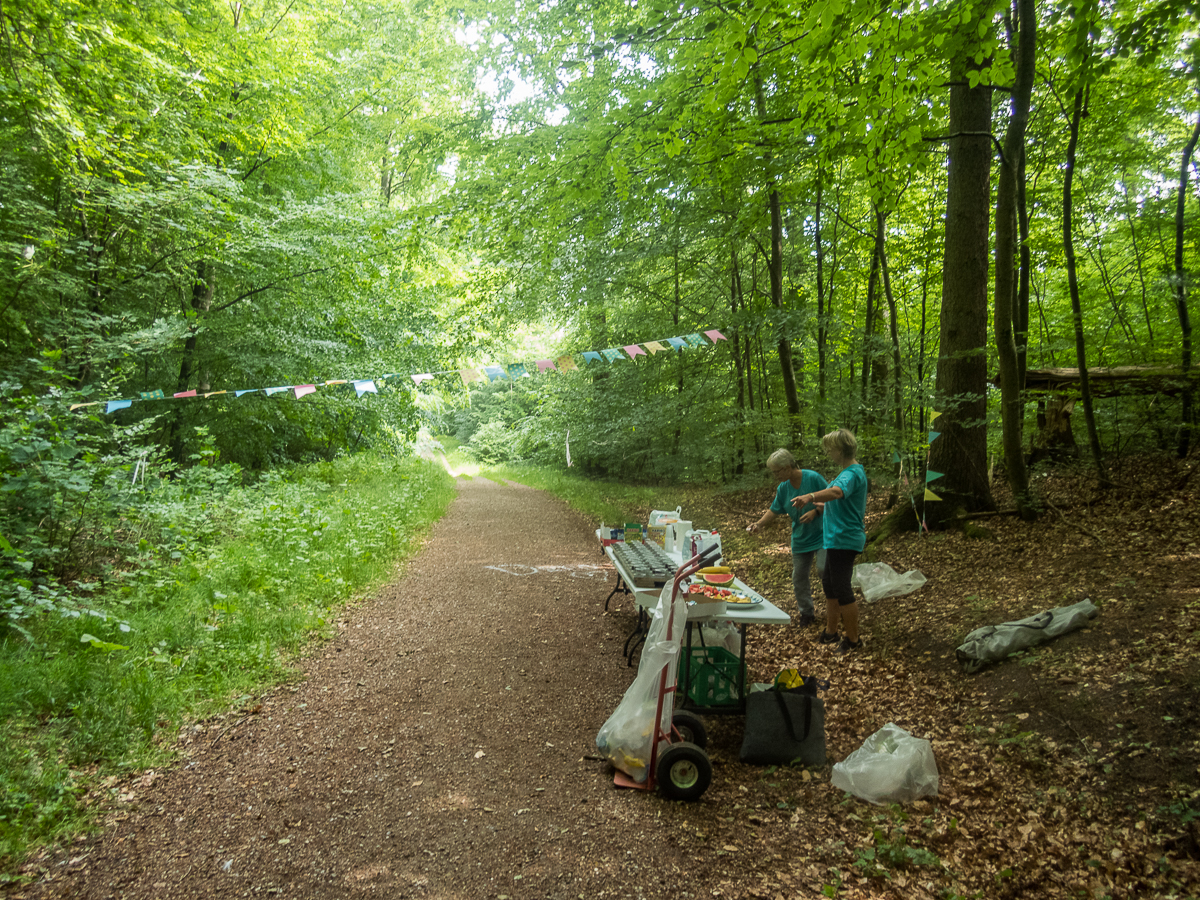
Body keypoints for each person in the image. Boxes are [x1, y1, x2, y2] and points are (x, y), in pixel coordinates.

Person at [791, 428, 868, 653]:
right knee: (830, 584)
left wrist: (811, 496)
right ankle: (831, 631)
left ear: (840, 449)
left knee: (842, 587)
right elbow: (841, 502)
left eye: (830, 449)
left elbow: (836, 493)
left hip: (845, 538)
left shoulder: (851, 474)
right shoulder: (847, 472)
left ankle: (853, 640)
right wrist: (822, 507)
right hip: (834, 538)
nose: (828, 453)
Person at [745, 449, 828, 628]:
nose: (775, 475)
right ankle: (807, 613)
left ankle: (836, 607)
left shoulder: (813, 478)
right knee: (799, 577)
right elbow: (775, 509)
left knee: (824, 570)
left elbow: (831, 498)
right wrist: (759, 524)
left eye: (777, 471)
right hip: (800, 538)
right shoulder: (783, 488)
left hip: (823, 534)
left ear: (788, 467)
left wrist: (815, 511)